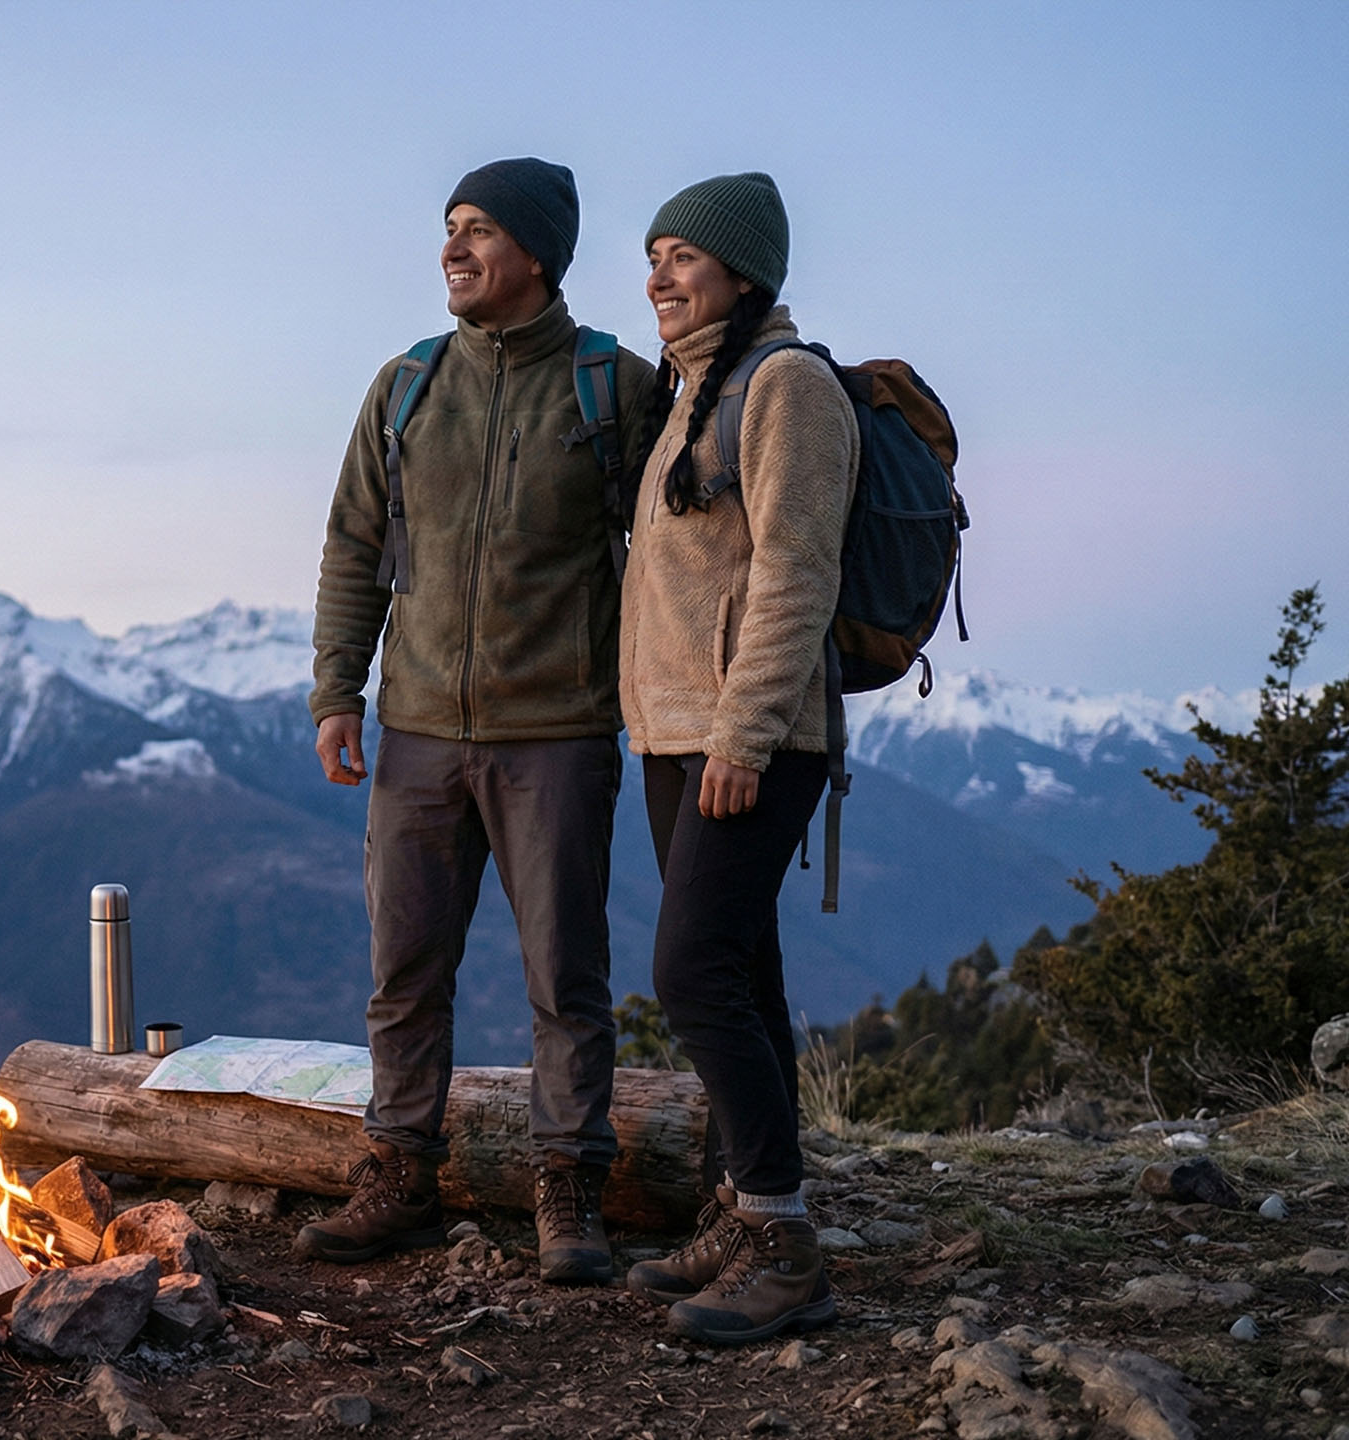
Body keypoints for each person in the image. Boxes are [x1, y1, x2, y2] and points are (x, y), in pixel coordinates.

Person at [296, 157, 662, 1281]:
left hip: (558, 732)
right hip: (416, 731)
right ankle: (400, 1170)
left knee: (566, 976)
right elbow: (354, 545)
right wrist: (336, 691)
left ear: (537, 255)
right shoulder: (406, 386)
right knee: (403, 971)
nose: (453, 248)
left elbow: (677, 557)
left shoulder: (614, 389)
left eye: (480, 230)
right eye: (450, 227)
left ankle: (569, 1186)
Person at [614, 171, 854, 1343]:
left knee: (692, 972)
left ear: (743, 272)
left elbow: (796, 575)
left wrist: (743, 734)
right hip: (674, 731)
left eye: (684, 257)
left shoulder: (787, 385)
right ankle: (746, 1207)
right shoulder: (692, 389)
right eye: (653, 257)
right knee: (742, 972)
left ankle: (784, 1246)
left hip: (743, 735)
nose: (659, 278)